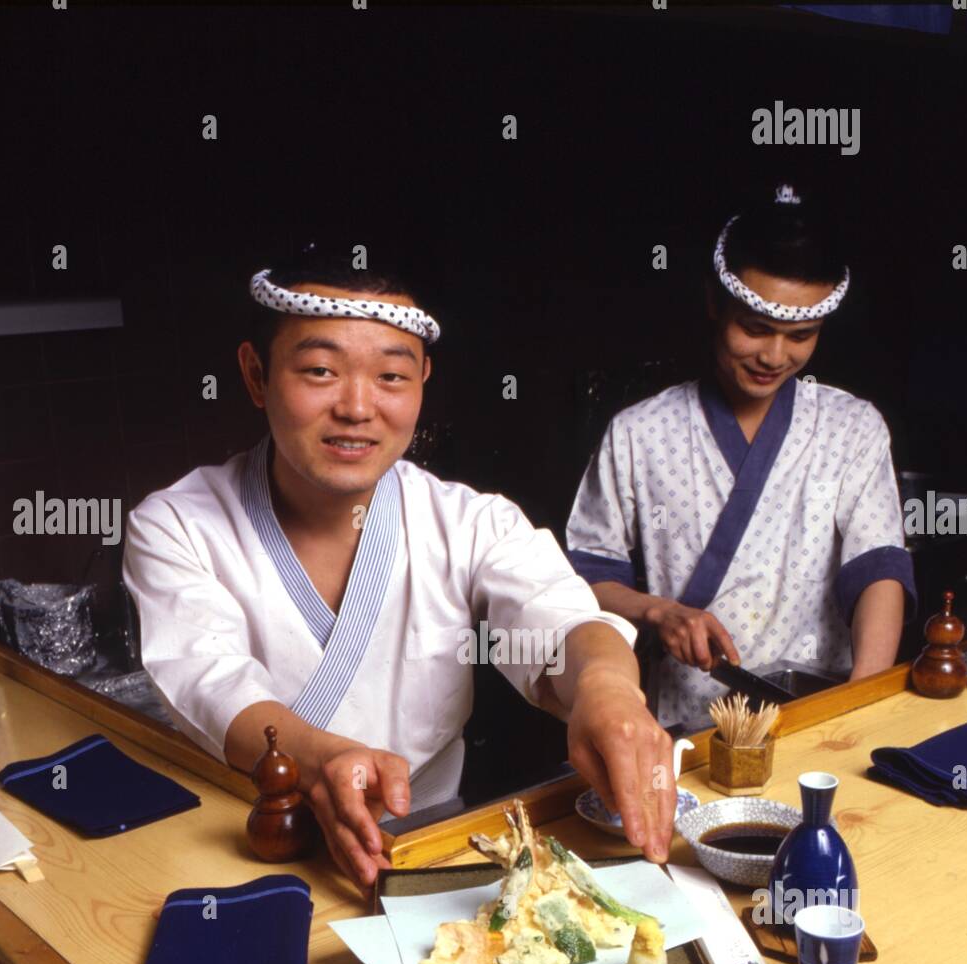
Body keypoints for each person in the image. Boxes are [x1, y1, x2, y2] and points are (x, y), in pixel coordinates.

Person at [122, 248, 676, 889]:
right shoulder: (176, 524)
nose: (358, 407)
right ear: (255, 374)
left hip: (426, 856)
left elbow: (562, 618)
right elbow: (209, 678)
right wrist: (320, 759)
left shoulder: (469, 522)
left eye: (391, 377)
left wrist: (607, 689)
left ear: (422, 383)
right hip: (240, 856)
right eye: (321, 370)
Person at [566, 184, 917, 730]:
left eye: (801, 336)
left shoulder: (853, 427)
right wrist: (659, 611)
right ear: (714, 303)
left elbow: (878, 568)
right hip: (688, 725)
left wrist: (863, 701)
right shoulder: (638, 432)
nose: (775, 356)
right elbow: (584, 578)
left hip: (818, 715)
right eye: (754, 329)